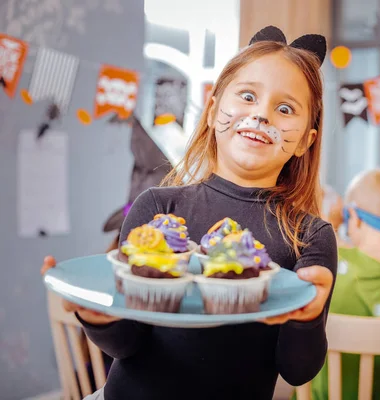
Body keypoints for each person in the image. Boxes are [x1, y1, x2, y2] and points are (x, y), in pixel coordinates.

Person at [41, 26, 337, 399]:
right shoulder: (157, 208)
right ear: (213, 112)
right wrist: (99, 319)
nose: (261, 115)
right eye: (247, 96)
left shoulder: (310, 236)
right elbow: (127, 344)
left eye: (284, 108)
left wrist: (308, 319)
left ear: (306, 142)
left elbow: (297, 371)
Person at [308, 169, 380, 400]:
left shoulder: (335, 264)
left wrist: (332, 221)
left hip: (329, 396)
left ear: (354, 217)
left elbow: (334, 245)